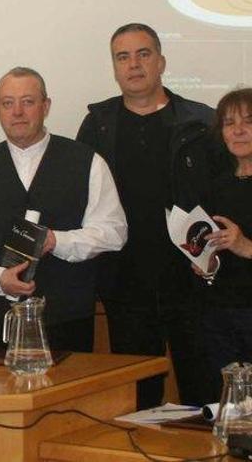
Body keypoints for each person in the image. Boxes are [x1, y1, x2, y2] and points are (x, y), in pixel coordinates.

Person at [77, 23, 226, 408]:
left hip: (192, 283)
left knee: (202, 392)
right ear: (113, 67)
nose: (134, 65)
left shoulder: (200, 122)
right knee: (139, 399)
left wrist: (215, 255)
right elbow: (80, 198)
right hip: (125, 285)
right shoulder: (97, 124)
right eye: (122, 57)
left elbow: (225, 194)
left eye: (143, 54)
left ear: (161, 61)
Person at [0, 67, 127, 353]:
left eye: (28, 101)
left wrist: (57, 241)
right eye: (8, 103)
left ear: (46, 106)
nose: (18, 112)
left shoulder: (87, 162)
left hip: (67, 319)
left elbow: (114, 231)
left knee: (70, 399)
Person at [190, 89, 252, 403]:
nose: (238, 130)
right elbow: (211, 256)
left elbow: (241, 247)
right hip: (219, 315)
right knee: (228, 407)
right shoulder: (217, 186)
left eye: (248, 122)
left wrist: (245, 246)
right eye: (229, 123)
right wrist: (205, 263)